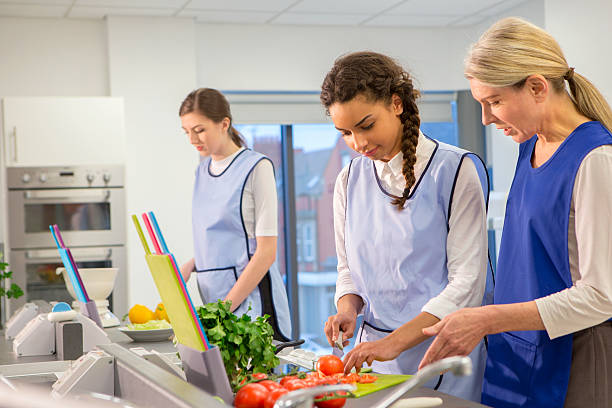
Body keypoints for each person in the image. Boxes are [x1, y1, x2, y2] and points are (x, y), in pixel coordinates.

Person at [418, 17, 612, 408]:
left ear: (537, 86)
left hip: (575, 355)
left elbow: (602, 296)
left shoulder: (596, 160)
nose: (488, 119)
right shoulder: (529, 147)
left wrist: (488, 319)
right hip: (520, 349)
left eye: (494, 102)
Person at [320, 51, 493, 402]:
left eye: (366, 125)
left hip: (443, 352)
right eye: (346, 133)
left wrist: (394, 343)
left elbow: (467, 286)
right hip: (373, 357)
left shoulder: (456, 171)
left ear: (396, 103)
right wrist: (347, 309)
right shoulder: (348, 180)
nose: (359, 143)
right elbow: (348, 269)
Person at [178, 88, 291, 341]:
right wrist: (190, 265)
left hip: (250, 301)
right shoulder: (202, 172)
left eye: (199, 130)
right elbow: (221, 238)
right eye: (187, 132)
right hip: (215, 300)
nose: (192, 140)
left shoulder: (256, 168)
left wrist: (225, 310)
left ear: (224, 124)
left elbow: (266, 252)